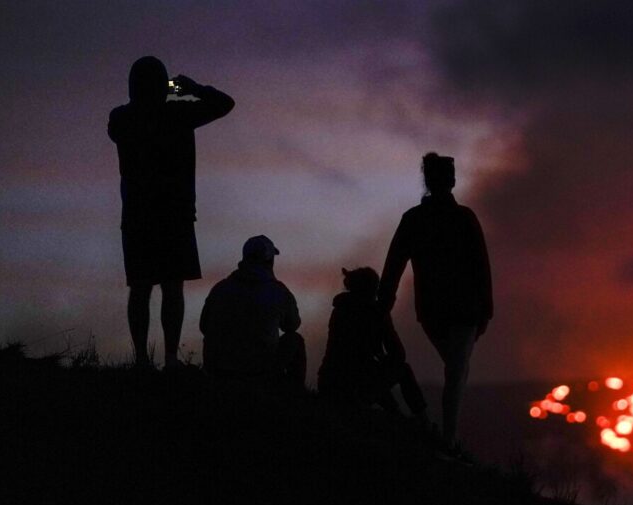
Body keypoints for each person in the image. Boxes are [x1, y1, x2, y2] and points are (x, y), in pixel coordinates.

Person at [108, 56, 234, 368]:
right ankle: (169, 357)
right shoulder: (177, 113)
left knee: (140, 288)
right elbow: (224, 103)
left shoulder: (122, 118)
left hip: (138, 216)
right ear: (162, 84)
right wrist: (189, 88)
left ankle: (141, 359)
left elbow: (124, 124)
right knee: (171, 287)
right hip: (175, 215)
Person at [379, 152, 492, 456]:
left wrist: (383, 302)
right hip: (460, 311)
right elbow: (482, 265)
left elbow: (393, 265)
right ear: (449, 181)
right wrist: (486, 310)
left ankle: (447, 439)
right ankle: (448, 442)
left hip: (436, 312)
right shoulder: (460, 217)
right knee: (457, 371)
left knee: (455, 370)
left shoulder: (415, 219)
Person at [318, 267, 428, 421]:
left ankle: (395, 413)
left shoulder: (340, 309)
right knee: (402, 369)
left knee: (372, 369)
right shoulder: (376, 312)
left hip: (328, 383)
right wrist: (383, 355)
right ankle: (422, 419)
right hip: (353, 388)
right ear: (371, 289)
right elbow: (398, 355)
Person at [200, 235, 305, 394]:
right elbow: (293, 324)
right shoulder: (278, 291)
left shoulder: (221, 288)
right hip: (258, 372)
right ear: (269, 261)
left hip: (218, 370)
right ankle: (293, 396)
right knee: (295, 340)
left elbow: (203, 326)